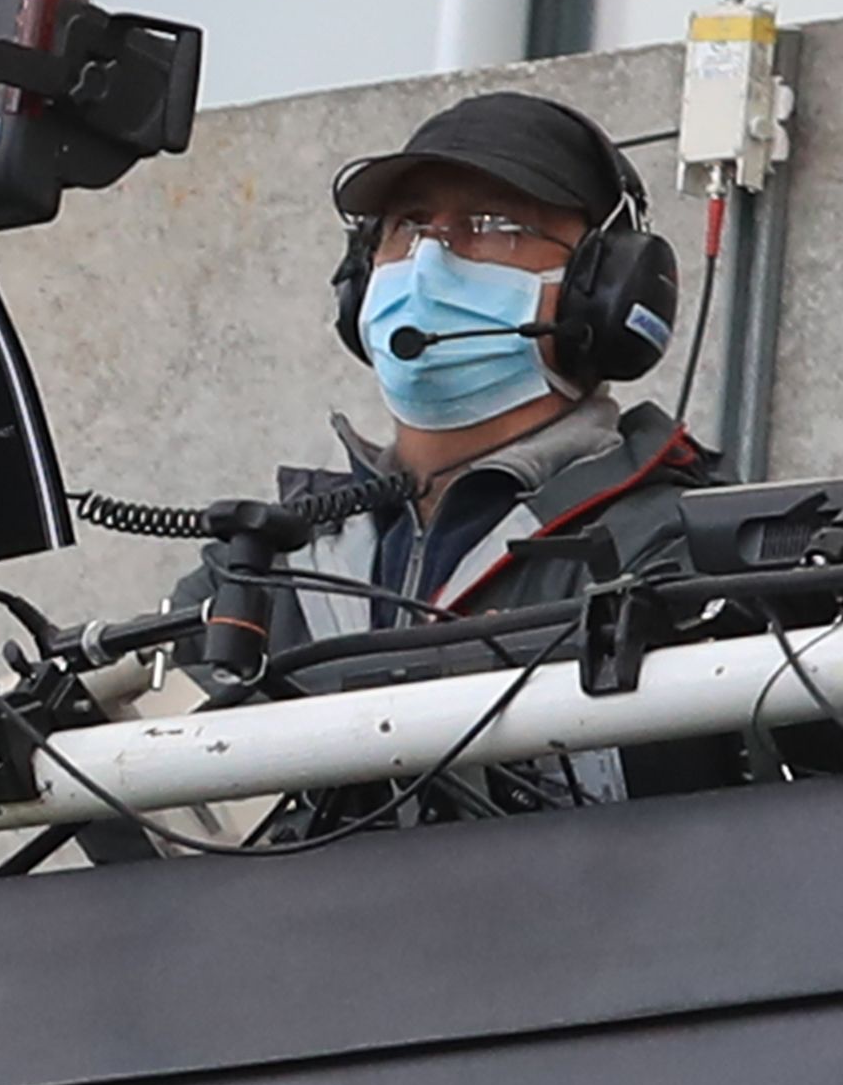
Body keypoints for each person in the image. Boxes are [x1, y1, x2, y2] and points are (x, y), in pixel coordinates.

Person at [204, 88, 724, 825]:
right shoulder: (264, 563)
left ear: (601, 290)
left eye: (493, 226)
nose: (431, 262)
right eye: (409, 226)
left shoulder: (683, 544)